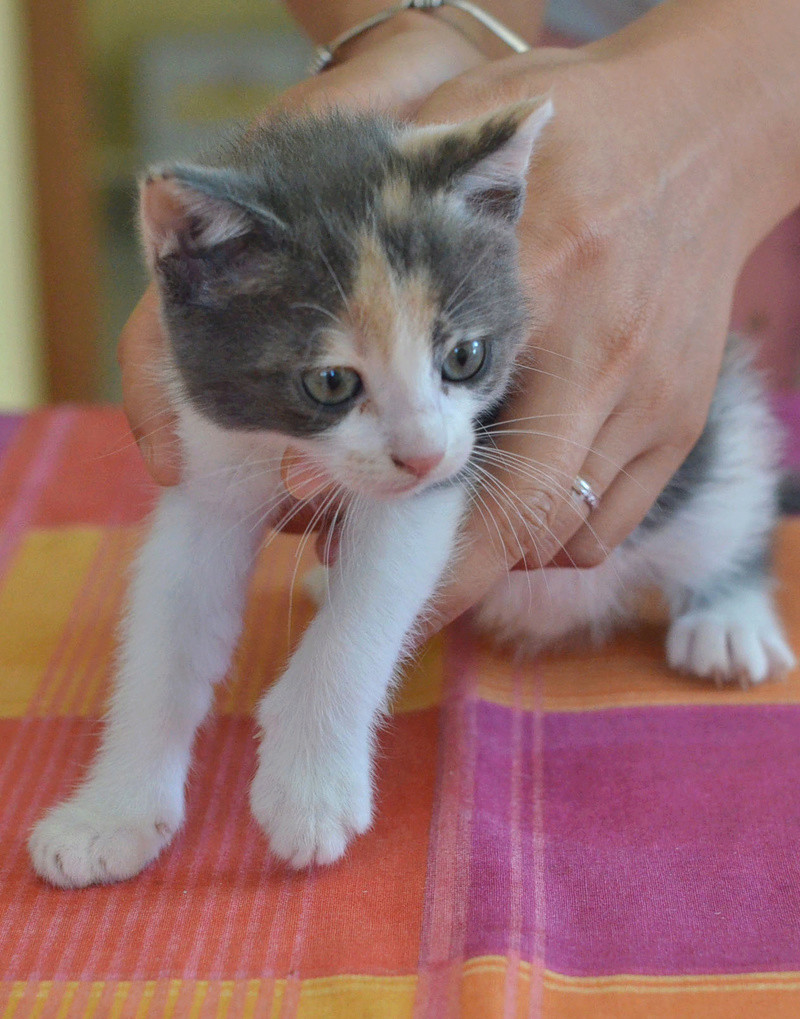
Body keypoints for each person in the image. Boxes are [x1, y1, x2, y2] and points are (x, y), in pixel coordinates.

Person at [119, 0, 800, 638]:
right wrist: (427, 28)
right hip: (493, 94)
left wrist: (718, 123)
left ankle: (727, 578)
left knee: (639, 432)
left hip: (757, 112)